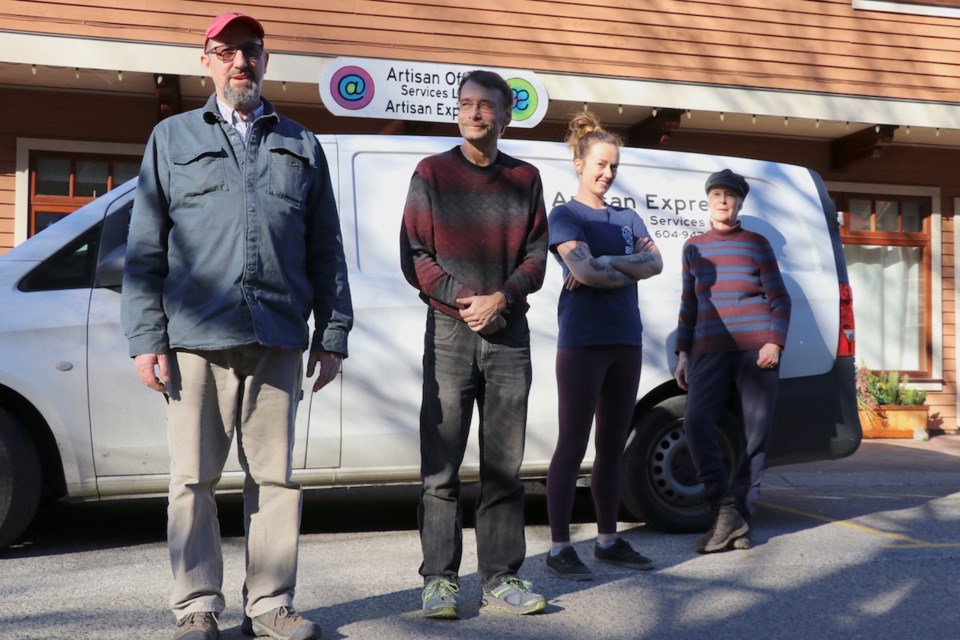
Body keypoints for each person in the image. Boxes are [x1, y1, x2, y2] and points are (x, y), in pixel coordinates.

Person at [121, 12, 352, 640]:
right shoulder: (170, 138)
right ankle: (196, 606)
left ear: (265, 60)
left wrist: (331, 336)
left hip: (277, 335)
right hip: (195, 337)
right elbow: (145, 247)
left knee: (275, 481)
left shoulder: (301, 144)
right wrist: (146, 339)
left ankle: (270, 604)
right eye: (224, 52)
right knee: (191, 481)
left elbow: (326, 249)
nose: (238, 63)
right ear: (206, 61)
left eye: (249, 51)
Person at [399, 69, 549, 619]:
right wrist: (468, 299)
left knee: (504, 465)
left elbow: (537, 255)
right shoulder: (431, 174)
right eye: (465, 104)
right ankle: (439, 580)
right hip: (449, 331)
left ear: (506, 115)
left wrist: (501, 298)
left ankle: (501, 577)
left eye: (486, 105)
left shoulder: (525, 177)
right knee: (440, 466)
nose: (474, 112)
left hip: (509, 335)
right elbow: (415, 254)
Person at [544, 112, 663, 581]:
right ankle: (557, 548)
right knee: (571, 444)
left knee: (612, 445)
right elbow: (584, 271)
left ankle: (608, 540)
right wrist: (608, 269)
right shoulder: (566, 215)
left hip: (625, 342)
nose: (607, 173)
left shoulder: (627, 217)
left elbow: (654, 263)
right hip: (583, 343)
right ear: (578, 163)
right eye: (599, 164)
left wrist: (607, 260)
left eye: (613, 166)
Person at [673, 169, 791, 554]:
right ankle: (725, 509)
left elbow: (780, 299)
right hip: (708, 349)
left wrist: (774, 342)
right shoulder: (693, 247)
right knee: (696, 422)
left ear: (741, 202)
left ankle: (742, 523)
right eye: (717, 194)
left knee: (752, 438)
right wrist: (683, 353)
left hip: (756, 352)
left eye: (730, 195)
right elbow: (689, 305)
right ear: (708, 199)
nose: (723, 200)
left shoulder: (757, 244)